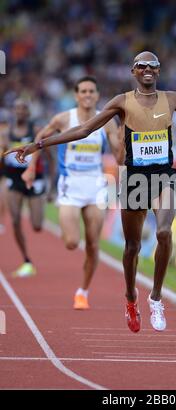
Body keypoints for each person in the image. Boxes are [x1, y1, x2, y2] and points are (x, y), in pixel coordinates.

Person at [5, 51, 176, 332]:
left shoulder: (172, 99)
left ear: (159, 72)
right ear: (133, 71)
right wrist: (37, 145)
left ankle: (156, 297)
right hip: (135, 179)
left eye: (153, 66)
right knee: (132, 248)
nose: (148, 69)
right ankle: (130, 297)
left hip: (164, 176)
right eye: (142, 66)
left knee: (164, 232)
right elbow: (84, 129)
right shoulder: (122, 102)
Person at [21, 76, 123, 310]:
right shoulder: (64, 118)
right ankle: (81, 284)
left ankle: (83, 292)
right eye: (83, 91)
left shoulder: (106, 121)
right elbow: (40, 139)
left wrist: (124, 142)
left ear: (97, 96)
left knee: (93, 245)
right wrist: (30, 167)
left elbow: (118, 155)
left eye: (91, 91)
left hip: (96, 186)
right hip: (70, 186)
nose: (87, 95)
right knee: (71, 242)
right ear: (76, 95)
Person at [0, 99, 55, 276]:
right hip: (13, 178)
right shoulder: (6, 134)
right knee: (15, 220)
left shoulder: (36, 131)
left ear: (28, 112)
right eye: (16, 108)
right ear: (13, 112)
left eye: (23, 108)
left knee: (37, 225)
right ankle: (26, 260)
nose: (20, 111)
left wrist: (51, 184)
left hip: (34, 178)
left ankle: (27, 257)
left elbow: (50, 157)